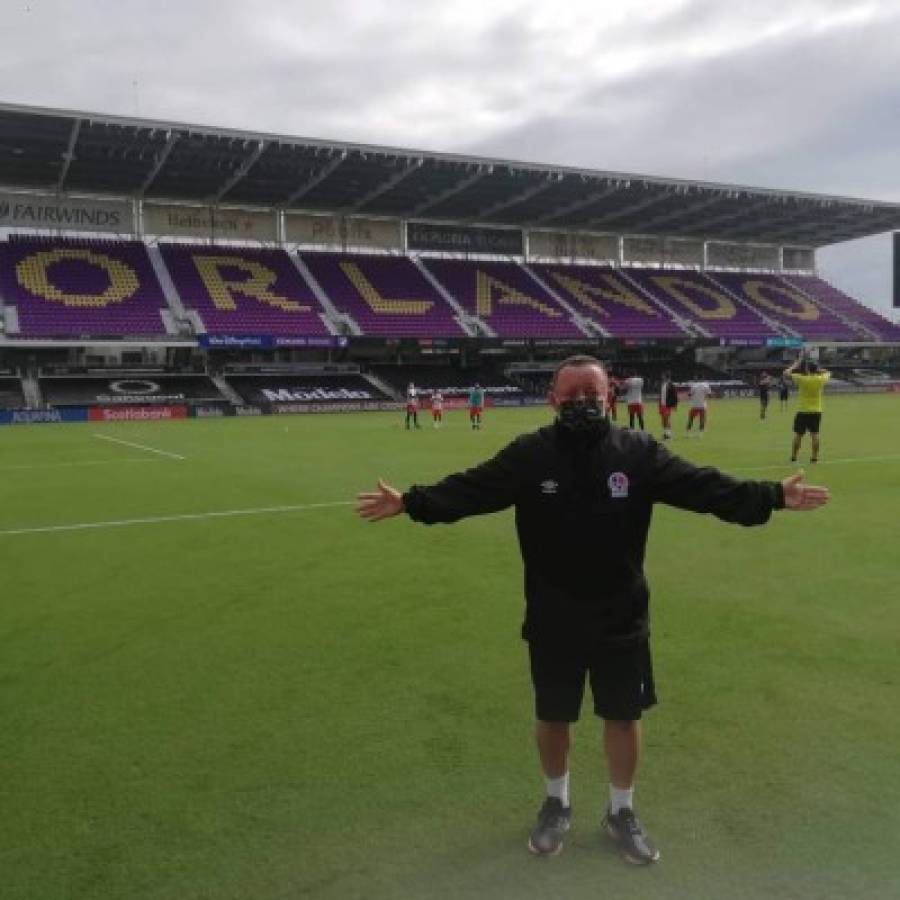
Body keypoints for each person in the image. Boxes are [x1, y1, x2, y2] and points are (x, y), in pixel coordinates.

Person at [356, 354, 828, 866]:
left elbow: (703, 488)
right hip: (552, 616)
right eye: (572, 394)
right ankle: (556, 803)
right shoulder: (529, 455)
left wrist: (771, 497)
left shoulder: (638, 451)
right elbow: (470, 490)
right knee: (553, 716)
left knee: (623, 718)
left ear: (609, 397)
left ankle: (620, 811)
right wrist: (411, 503)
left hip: (621, 616)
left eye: (592, 394)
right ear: (553, 399)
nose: (582, 402)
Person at [785, 353, 831, 463]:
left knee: (798, 435)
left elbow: (786, 373)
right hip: (816, 411)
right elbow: (828, 372)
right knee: (815, 434)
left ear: (808, 370)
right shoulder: (821, 379)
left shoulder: (802, 379)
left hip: (803, 410)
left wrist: (795, 365)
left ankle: (794, 456)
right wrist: (819, 370)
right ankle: (814, 457)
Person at [657, 372, 678, 440]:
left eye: (663, 376)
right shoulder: (662, 384)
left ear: (666, 376)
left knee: (667, 419)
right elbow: (661, 395)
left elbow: (675, 396)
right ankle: (665, 434)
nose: (662, 377)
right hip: (662, 405)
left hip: (667, 405)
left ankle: (669, 435)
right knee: (663, 420)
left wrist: (675, 405)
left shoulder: (671, 384)